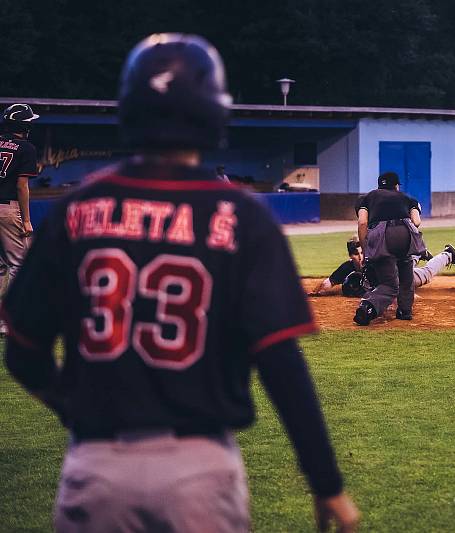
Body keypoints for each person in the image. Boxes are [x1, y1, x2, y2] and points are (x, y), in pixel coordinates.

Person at [1, 33, 358, 532]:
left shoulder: (78, 210)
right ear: (214, 113)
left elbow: (22, 351)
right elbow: (281, 363)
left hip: (97, 466)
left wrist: (73, 407)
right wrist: (326, 483)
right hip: (199, 469)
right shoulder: (242, 217)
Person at [353, 171, 426, 325]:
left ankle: (368, 308)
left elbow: (362, 223)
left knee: (389, 284)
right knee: (406, 276)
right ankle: (405, 311)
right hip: (405, 234)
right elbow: (417, 221)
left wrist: (367, 252)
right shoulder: (407, 198)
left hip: (382, 237)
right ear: (396, 186)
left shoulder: (366, 198)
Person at [309, 237, 455, 298]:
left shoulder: (375, 260)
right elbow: (328, 283)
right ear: (351, 256)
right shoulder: (347, 267)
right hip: (394, 276)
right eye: (357, 254)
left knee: (426, 275)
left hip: (398, 274)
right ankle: (418, 254)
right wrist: (315, 292)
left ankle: (448, 255)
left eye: (363, 252)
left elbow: (391, 282)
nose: (361, 257)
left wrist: (406, 295)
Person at [0, 103, 38, 334]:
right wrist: (26, 219)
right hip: (8, 209)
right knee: (18, 265)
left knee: (1, 267)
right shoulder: (26, 148)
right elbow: (22, 186)